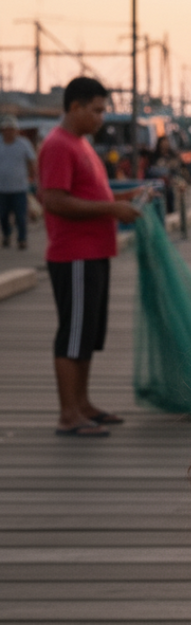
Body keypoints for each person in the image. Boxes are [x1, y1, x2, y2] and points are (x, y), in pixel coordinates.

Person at [37, 77, 144, 437]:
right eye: (96, 110)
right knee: (73, 332)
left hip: (94, 252)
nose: (101, 117)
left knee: (86, 333)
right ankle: (68, 414)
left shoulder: (81, 144)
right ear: (75, 107)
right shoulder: (58, 145)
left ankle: (82, 404)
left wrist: (126, 198)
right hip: (74, 254)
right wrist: (113, 211)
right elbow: (54, 200)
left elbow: (91, 194)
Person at [0, 115, 37, 250]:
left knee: (20, 216)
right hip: (2, 188)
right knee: (3, 215)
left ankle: (22, 239)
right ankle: (7, 235)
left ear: (16, 131)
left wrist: (32, 177)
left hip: (19, 187)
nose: (8, 132)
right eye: (6, 129)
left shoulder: (23, 144)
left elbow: (32, 161)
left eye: (11, 129)